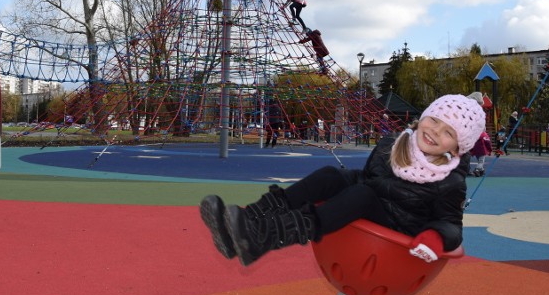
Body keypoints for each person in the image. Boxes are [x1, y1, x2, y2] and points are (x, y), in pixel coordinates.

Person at [199, 94, 486, 266]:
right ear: (424, 116)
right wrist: (337, 180)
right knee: (330, 176)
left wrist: (434, 238)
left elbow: (451, 225)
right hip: (370, 204)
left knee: (362, 195)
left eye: (448, 132)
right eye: (434, 120)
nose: (435, 132)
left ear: (456, 147)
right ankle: (245, 223)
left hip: (397, 236)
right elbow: (368, 177)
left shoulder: (450, 182)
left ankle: (260, 237)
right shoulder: (392, 145)